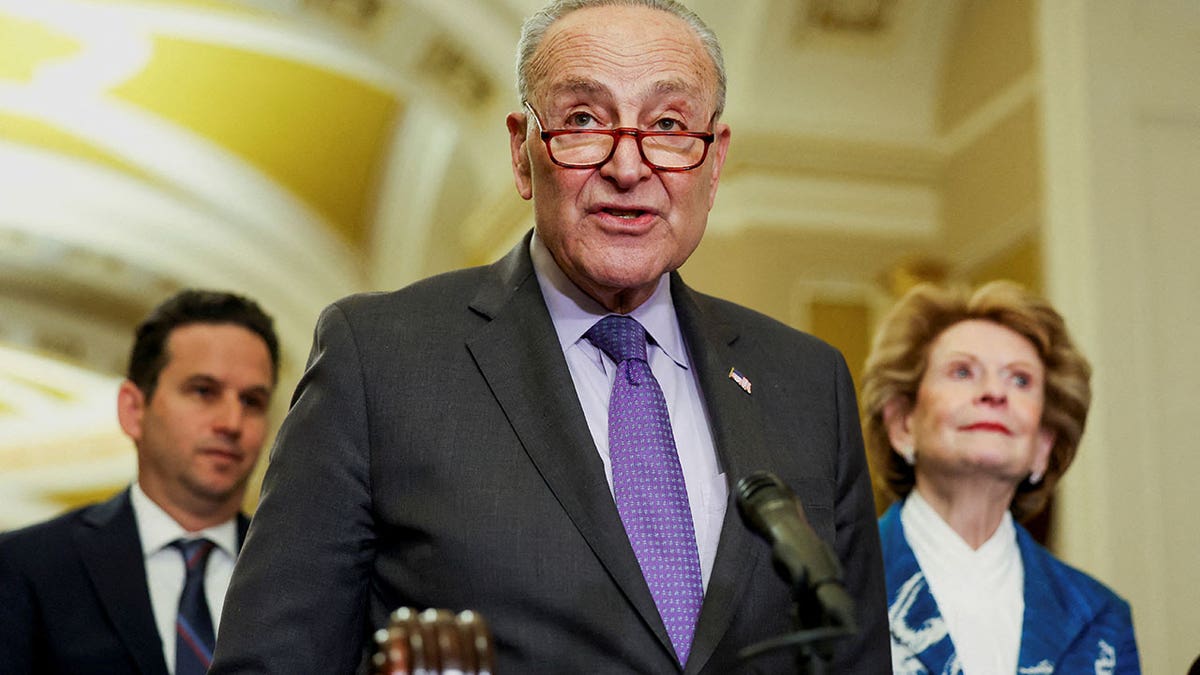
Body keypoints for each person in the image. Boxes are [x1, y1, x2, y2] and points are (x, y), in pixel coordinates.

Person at [210, 1, 890, 672]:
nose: (629, 168)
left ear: (713, 165)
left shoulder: (808, 382)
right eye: (585, 120)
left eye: (670, 123)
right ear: (521, 151)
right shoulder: (380, 357)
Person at [860, 280, 1140, 674]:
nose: (994, 391)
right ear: (903, 423)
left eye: (1020, 379)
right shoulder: (832, 586)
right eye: (962, 371)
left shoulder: (1102, 617)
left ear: (1043, 444)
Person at [0, 290, 279, 675]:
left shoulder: (299, 577)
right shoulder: (26, 567)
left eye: (252, 401)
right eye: (203, 391)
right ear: (133, 409)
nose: (232, 422)